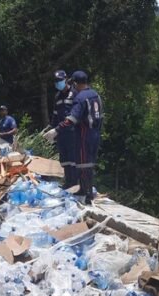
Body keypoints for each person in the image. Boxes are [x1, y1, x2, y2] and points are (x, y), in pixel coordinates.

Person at [54, 70, 103, 204]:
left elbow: (73, 118)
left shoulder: (80, 98)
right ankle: (86, 191)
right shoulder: (95, 95)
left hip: (83, 134)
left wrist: (57, 130)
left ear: (75, 83)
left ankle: (85, 193)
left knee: (82, 164)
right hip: (95, 133)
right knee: (89, 164)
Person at [50, 70, 77, 189]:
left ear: (66, 79)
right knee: (65, 159)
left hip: (73, 132)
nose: (58, 83)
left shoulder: (75, 93)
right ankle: (68, 183)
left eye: (59, 81)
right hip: (61, 133)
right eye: (56, 81)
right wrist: (53, 131)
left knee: (73, 159)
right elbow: (55, 115)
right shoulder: (57, 96)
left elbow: (75, 114)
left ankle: (75, 184)